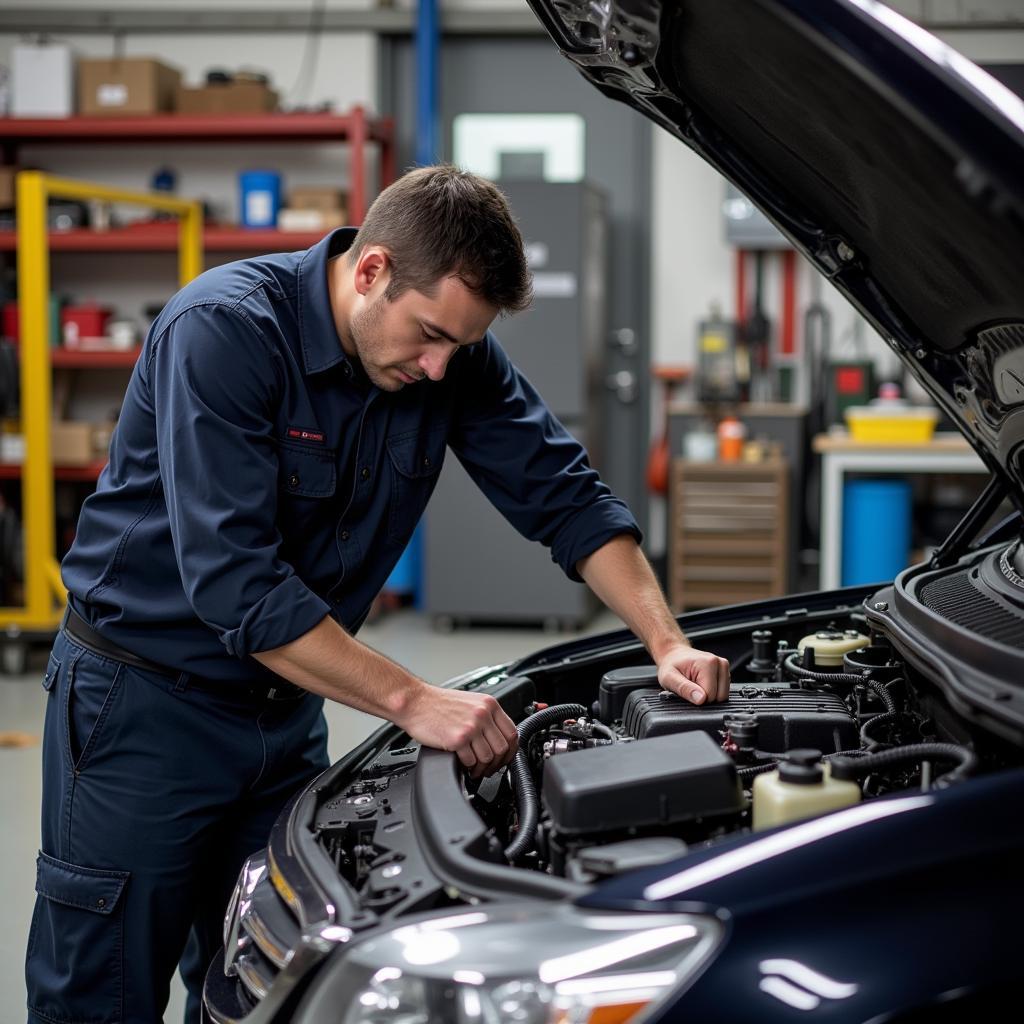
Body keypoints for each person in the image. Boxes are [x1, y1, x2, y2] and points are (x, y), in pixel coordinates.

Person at [26, 165, 730, 1024]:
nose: (440, 369)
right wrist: (410, 700)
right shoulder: (225, 330)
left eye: (459, 346)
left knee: (263, 982)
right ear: (372, 270)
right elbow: (239, 588)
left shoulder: (448, 355)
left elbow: (567, 496)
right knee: (102, 993)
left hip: (283, 715)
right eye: (430, 335)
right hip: (140, 712)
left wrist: (665, 641)